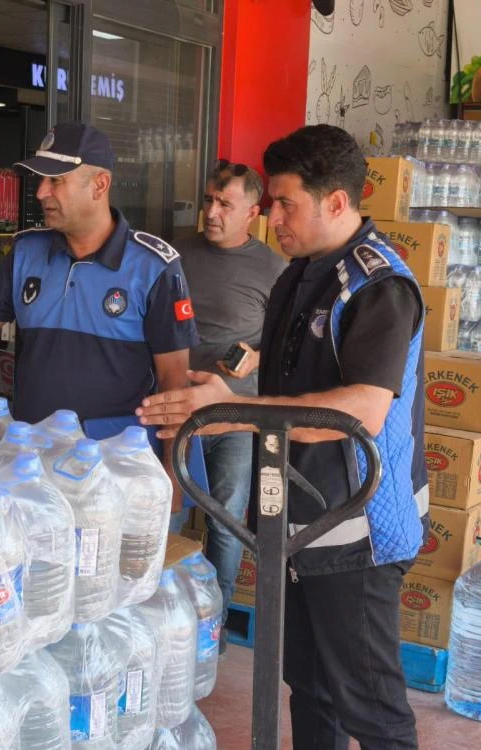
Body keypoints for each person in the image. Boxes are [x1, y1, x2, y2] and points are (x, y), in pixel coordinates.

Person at [137, 125, 427, 750]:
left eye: (285, 203)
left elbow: (362, 411)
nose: (271, 217)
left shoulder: (378, 286)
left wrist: (235, 411)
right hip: (297, 517)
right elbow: (300, 367)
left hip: (358, 528)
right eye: (271, 202)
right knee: (310, 687)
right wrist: (222, 386)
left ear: (336, 202)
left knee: (369, 705)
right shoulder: (304, 272)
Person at [0, 122, 197, 500]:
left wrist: (174, 476)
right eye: (41, 180)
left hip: (114, 470)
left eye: (56, 181)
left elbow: (174, 382)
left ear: (100, 185)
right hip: (33, 465)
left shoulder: (153, 267)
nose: (41, 192)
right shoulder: (27, 253)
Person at [177, 160, 286, 642]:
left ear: (252, 213)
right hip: (177, 409)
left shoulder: (274, 269)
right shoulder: (176, 255)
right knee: (167, 514)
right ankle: (163, 620)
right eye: (208, 200)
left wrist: (257, 356)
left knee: (225, 521)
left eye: (225, 204)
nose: (212, 213)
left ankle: (212, 629)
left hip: (237, 417)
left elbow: (286, 344)